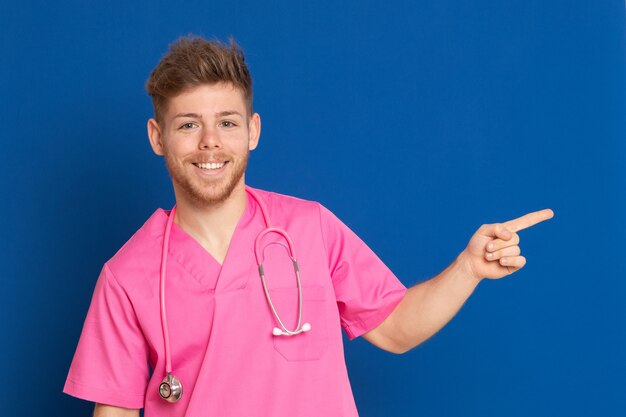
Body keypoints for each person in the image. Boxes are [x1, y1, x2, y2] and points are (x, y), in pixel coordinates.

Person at [63, 36, 554, 417]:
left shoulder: (310, 229)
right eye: (189, 124)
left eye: (227, 123)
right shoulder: (127, 275)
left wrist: (468, 267)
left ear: (253, 130)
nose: (210, 142)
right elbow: (116, 409)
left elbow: (397, 329)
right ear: (158, 137)